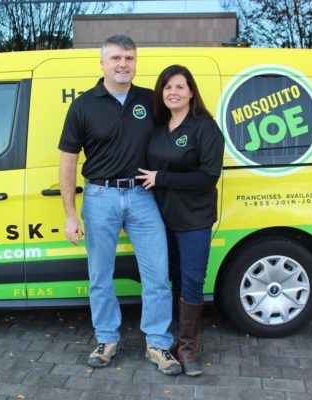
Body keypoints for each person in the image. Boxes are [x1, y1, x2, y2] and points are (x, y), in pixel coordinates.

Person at [58, 35, 182, 375]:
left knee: (157, 275)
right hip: (99, 198)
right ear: (102, 63)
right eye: (115, 58)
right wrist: (70, 214)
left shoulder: (150, 101)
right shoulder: (83, 105)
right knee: (100, 276)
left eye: (128, 58)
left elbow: (178, 133)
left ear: (135, 62)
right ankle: (106, 339)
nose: (122, 64)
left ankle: (157, 343)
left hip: (143, 196)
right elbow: (68, 162)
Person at [137, 65, 225, 376]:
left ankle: (187, 347)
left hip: (193, 220)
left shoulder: (205, 127)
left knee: (192, 281)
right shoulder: (158, 127)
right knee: (167, 280)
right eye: (167, 87)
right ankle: (168, 343)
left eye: (179, 87)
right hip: (158, 219)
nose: (173, 92)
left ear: (191, 92)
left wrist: (162, 178)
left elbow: (207, 177)